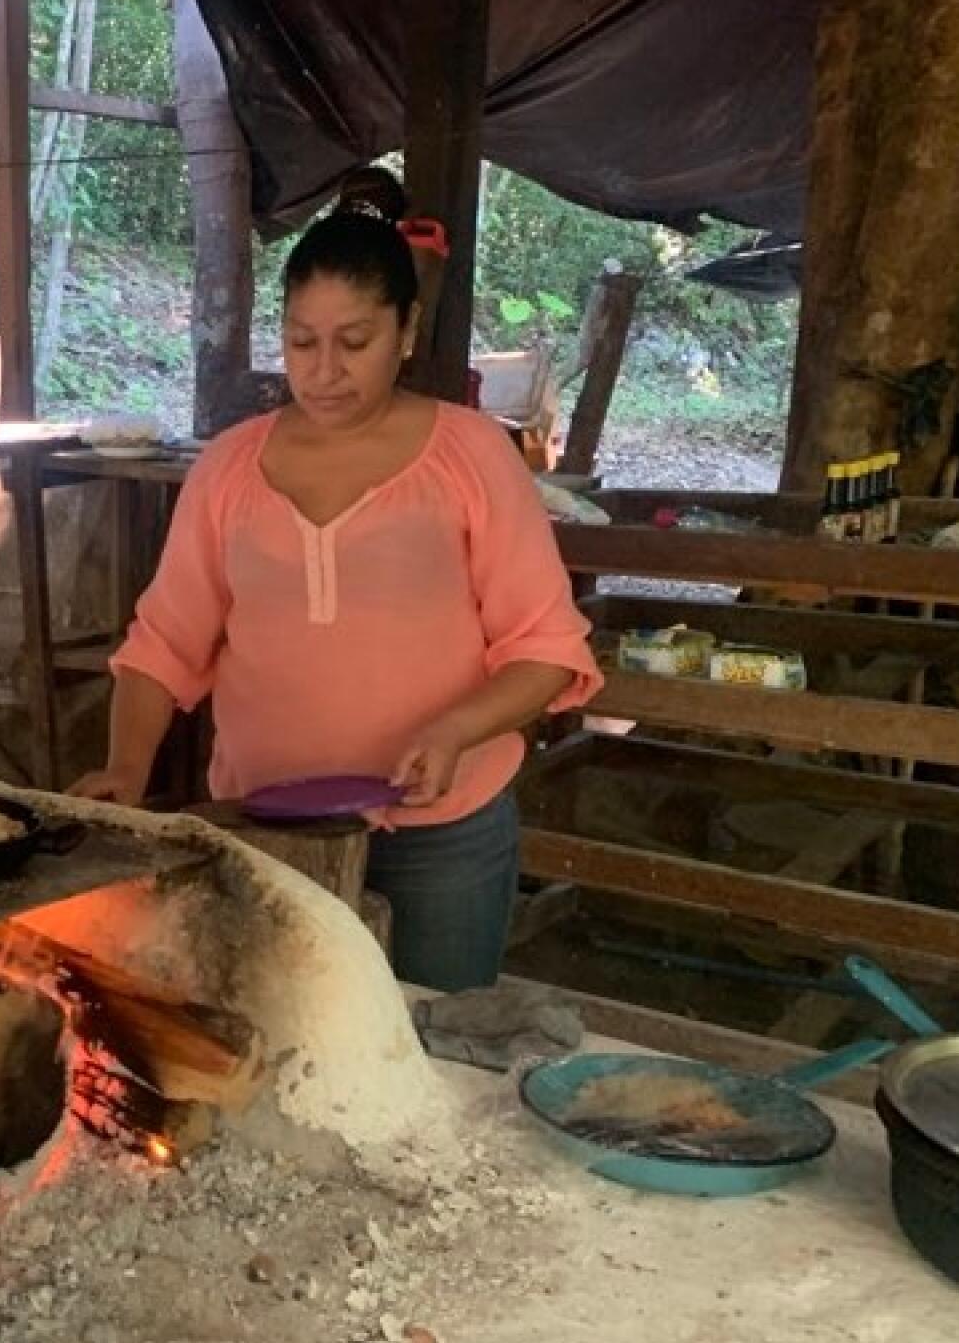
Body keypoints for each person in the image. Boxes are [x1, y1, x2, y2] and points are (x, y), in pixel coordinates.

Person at [69, 167, 601, 993]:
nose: (324, 370)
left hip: (440, 835)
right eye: (301, 341)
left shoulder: (471, 455)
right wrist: (126, 765)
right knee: (279, 1058)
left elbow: (546, 648)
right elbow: (165, 643)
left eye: (355, 342)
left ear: (408, 330)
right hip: (265, 827)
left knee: (435, 1063)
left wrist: (460, 728)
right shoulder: (229, 467)